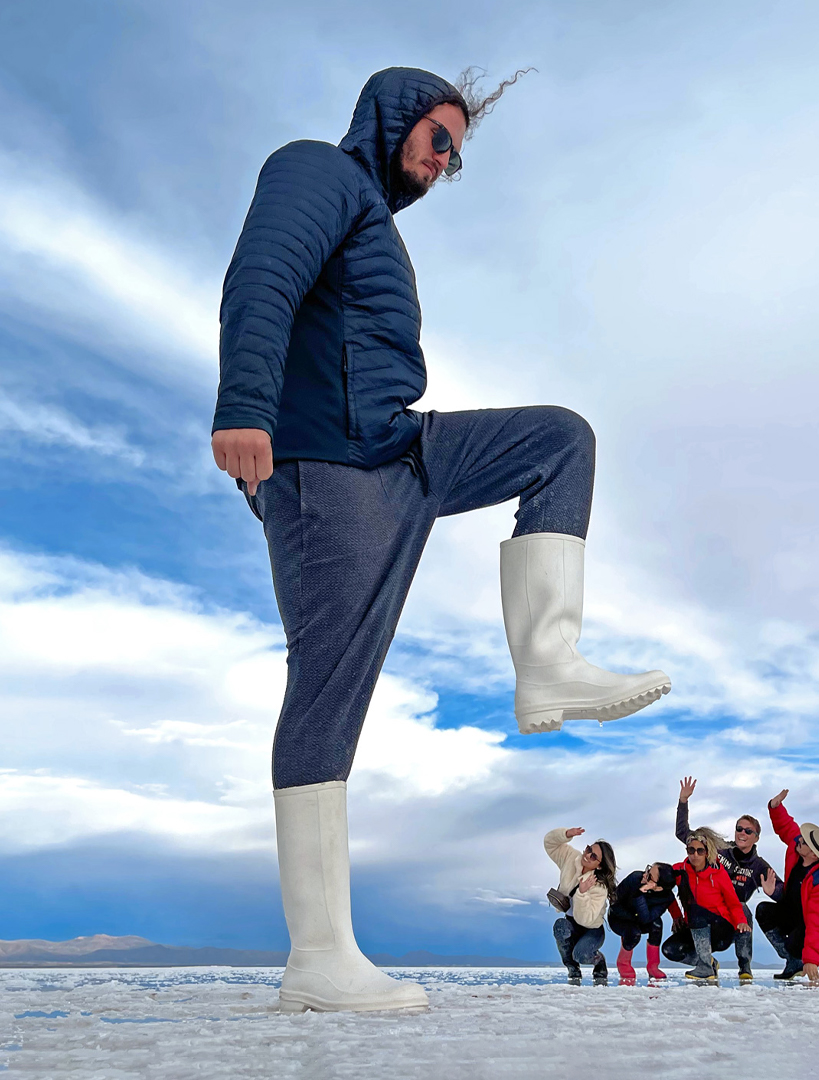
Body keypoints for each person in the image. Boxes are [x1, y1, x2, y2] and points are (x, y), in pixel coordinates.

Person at [210, 66, 672, 1014]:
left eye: (457, 152)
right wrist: (245, 407)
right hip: (329, 473)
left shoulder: (372, 220)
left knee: (558, 440)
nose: (446, 161)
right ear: (393, 116)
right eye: (440, 137)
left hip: (402, 451)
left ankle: (548, 660)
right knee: (330, 687)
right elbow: (261, 275)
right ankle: (319, 957)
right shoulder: (315, 173)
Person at [675, 777, 774, 980]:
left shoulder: (759, 866)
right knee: (676, 944)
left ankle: (744, 966)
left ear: (756, 837)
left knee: (743, 910)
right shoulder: (720, 849)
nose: (742, 833)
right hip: (705, 911)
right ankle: (707, 963)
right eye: (739, 828)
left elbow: (781, 890)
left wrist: (774, 891)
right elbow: (684, 834)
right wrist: (683, 802)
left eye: (748, 831)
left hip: (730, 918)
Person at [755, 789, 819, 989]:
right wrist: (775, 807)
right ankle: (794, 961)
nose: (799, 839)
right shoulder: (799, 847)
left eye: (805, 841)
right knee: (764, 911)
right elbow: (787, 828)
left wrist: (811, 959)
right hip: (799, 911)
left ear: (815, 855)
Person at [662, 827, 750, 983]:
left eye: (700, 851)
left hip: (720, 931)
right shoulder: (680, 870)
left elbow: (733, 903)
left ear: (707, 852)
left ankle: (705, 968)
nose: (695, 855)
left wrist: (741, 921)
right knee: (670, 950)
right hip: (696, 929)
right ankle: (708, 962)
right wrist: (676, 916)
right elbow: (664, 889)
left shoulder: (718, 873)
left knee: (695, 909)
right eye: (691, 850)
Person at [545, 827, 616, 985]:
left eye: (593, 856)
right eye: (589, 849)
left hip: (592, 930)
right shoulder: (572, 857)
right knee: (560, 927)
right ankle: (572, 968)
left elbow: (585, 919)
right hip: (571, 924)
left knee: (582, 955)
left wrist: (582, 894)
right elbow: (550, 844)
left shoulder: (599, 886)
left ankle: (599, 961)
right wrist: (565, 835)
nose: (587, 855)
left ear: (599, 866)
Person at [607, 863, 678, 984]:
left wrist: (640, 894)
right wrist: (634, 910)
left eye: (650, 877)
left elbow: (647, 918)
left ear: (658, 887)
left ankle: (653, 967)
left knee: (657, 925)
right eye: (648, 870)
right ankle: (624, 965)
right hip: (619, 918)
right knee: (633, 932)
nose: (645, 875)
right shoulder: (635, 878)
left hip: (642, 919)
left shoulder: (666, 898)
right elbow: (614, 903)